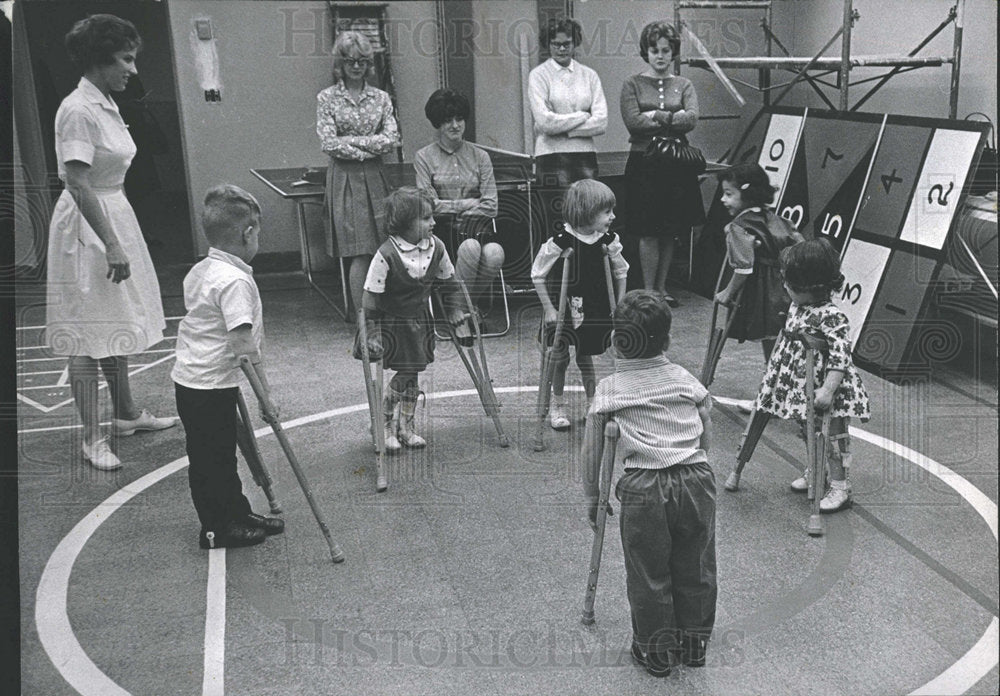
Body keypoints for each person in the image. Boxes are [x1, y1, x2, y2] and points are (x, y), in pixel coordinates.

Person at [46, 14, 177, 471]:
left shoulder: (105, 102)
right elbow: (77, 182)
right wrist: (111, 243)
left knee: (116, 317)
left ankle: (125, 414)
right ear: (99, 59)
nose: (132, 69)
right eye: (125, 59)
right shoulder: (78, 109)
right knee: (85, 333)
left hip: (114, 211)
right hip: (86, 227)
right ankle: (91, 436)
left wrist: (119, 236)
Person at [583, 289, 716, 677]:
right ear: (668, 341)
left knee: (648, 571)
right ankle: (694, 643)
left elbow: (592, 450)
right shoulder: (686, 380)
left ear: (614, 342)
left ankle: (655, 651)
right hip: (696, 477)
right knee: (696, 563)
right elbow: (705, 430)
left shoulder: (610, 390)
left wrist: (593, 495)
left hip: (644, 486)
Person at [171, 185, 284, 549]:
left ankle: (236, 511)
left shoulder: (203, 269)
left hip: (199, 380)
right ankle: (215, 528)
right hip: (207, 384)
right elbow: (243, 345)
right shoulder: (234, 281)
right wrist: (265, 395)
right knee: (212, 461)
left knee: (221, 456)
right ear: (248, 233)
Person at [754, 238, 871, 512]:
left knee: (833, 437)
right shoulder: (797, 306)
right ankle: (816, 470)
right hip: (801, 386)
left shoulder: (832, 316)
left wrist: (828, 389)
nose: (785, 287)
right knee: (808, 431)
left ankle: (841, 487)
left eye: (789, 284)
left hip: (829, 389)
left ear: (809, 288)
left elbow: (841, 356)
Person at [356, 187, 465, 452]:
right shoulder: (386, 253)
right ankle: (383, 421)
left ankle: (405, 426)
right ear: (405, 223)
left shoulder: (436, 247)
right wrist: (372, 332)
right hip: (392, 323)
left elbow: (450, 282)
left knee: (413, 373)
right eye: (426, 218)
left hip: (420, 321)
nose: (433, 222)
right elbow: (370, 298)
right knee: (407, 372)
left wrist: (454, 309)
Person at [620, 21, 705, 307]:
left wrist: (656, 115)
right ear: (646, 52)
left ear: (673, 52)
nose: (660, 55)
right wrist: (672, 116)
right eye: (654, 50)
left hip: (676, 165)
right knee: (648, 230)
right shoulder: (631, 83)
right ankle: (648, 291)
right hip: (645, 164)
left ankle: (662, 287)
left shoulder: (685, 84)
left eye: (666, 50)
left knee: (670, 230)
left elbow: (691, 119)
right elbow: (633, 122)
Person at [532, 179, 628, 430]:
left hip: (592, 307)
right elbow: (537, 274)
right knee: (559, 358)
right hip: (563, 308)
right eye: (606, 211)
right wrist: (549, 309)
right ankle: (558, 405)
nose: (613, 216)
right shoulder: (560, 241)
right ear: (586, 212)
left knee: (586, 357)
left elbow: (621, 271)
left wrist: (619, 304)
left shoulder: (608, 240)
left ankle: (591, 404)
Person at [316, 30, 400, 312]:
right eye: (350, 61)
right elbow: (329, 143)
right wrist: (368, 149)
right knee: (360, 251)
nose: (356, 66)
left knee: (383, 248)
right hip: (344, 180)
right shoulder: (326, 98)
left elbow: (391, 139)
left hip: (376, 178)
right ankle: (364, 321)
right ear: (340, 63)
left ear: (368, 64)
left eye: (362, 61)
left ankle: (385, 312)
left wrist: (351, 142)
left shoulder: (382, 98)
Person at [715, 163, 804, 410]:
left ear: (747, 193)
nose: (723, 199)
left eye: (729, 193)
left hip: (765, 293)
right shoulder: (777, 219)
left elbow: (743, 267)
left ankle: (776, 398)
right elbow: (800, 245)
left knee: (774, 347)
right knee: (778, 345)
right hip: (787, 289)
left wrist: (727, 293)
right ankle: (775, 395)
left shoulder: (740, 226)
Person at [414, 88, 504, 326]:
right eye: (447, 120)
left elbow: (491, 206)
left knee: (495, 253)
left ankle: (461, 309)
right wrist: (469, 203)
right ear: (438, 123)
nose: (455, 125)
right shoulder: (423, 157)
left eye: (459, 119)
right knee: (470, 249)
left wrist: (451, 206)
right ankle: (463, 316)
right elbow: (428, 206)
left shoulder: (481, 156)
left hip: (476, 228)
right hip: (440, 232)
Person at [528, 17, 607, 240]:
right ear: (548, 44)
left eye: (567, 43)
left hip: (585, 157)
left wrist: (564, 128)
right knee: (557, 224)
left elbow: (601, 122)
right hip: (550, 157)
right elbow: (544, 122)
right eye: (556, 44)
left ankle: (587, 264)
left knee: (590, 219)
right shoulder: (538, 76)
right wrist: (582, 116)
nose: (562, 49)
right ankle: (558, 265)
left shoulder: (590, 76)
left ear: (575, 43)